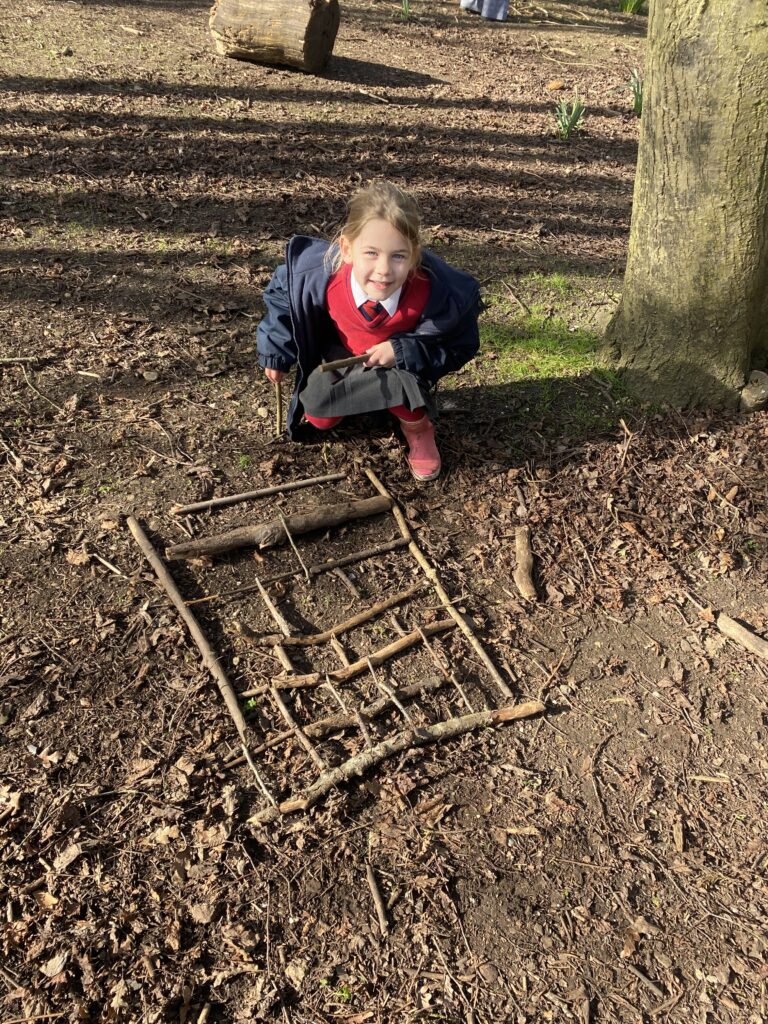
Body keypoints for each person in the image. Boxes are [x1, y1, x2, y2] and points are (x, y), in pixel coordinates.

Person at [257, 182, 481, 481]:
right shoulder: (320, 276)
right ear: (347, 249)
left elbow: (459, 345)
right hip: (341, 356)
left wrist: (401, 350)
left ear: (414, 255)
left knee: (406, 395)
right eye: (371, 253)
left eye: (398, 256)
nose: (384, 269)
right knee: (319, 416)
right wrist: (276, 351)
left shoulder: (437, 294)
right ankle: (362, 399)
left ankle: (417, 427)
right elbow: (283, 301)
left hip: (400, 367)